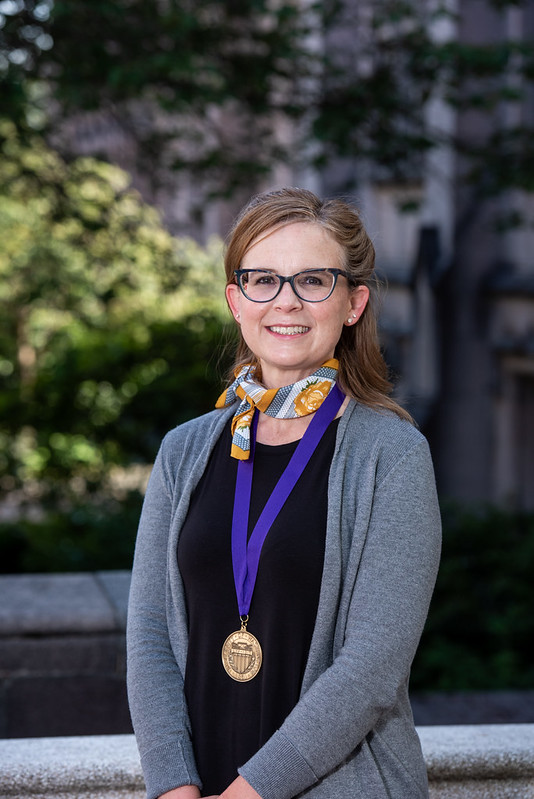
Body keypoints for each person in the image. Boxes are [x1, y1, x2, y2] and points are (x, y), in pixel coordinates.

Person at [127, 187, 441, 799]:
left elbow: (373, 668)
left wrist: (247, 795)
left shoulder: (394, 457)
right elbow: (149, 632)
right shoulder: (183, 451)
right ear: (236, 301)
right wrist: (174, 788)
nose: (286, 301)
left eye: (313, 281)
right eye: (262, 279)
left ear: (353, 303)